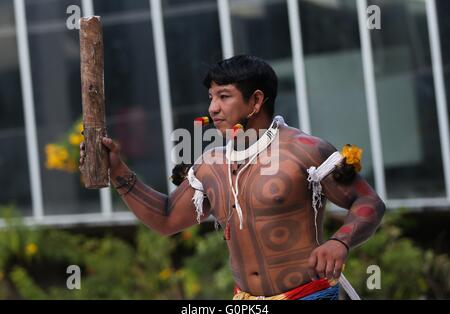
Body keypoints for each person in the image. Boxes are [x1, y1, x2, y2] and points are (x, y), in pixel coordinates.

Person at [79, 55, 385, 300]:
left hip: (309, 295)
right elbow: (166, 219)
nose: (213, 108)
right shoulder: (212, 164)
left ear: (255, 101)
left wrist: (340, 242)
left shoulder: (304, 151)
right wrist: (117, 170)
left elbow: (368, 201)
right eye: (211, 96)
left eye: (224, 96)